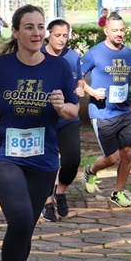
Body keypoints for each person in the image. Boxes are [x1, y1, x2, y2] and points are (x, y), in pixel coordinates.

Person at [0, 4, 78, 261]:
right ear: (16, 32)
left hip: (43, 160)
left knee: (24, 228)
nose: (37, 33)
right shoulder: (0, 66)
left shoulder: (59, 67)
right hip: (1, 155)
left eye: (40, 27)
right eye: (29, 27)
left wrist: (63, 107)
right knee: (20, 217)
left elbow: (74, 110)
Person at [80, 12, 131, 208]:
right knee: (112, 158)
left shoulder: (129, 54)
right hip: (102, 113)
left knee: (127, 153)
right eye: (115, 30)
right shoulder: (94, 53)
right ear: (106, 31)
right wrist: (92, 92)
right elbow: (76, 78)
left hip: (124, 112)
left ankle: (117, 192)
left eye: (122, 30)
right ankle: (91, 171)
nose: (119, 34)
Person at [39, 19, 86, 222]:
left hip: (68, 117)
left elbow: (79, 80)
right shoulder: (38, 55)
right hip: (44, 119)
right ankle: (46, 202)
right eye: (57, 35)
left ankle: (60, 191)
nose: (61, 39)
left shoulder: (72, 56)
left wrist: (80, 89)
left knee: (72, 161)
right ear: (49, 34)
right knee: (47, 163)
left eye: (65, 36)